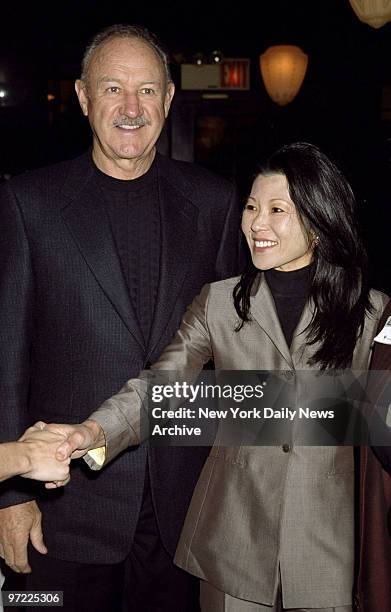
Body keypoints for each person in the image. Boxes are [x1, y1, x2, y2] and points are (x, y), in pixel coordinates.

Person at [47, 142, 388, 611]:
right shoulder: (219, 303)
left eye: (276, 210)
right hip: (234, 543)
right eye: (251, 207)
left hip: (329, 547)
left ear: (318, 220)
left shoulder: (371, 312)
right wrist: (94, 431)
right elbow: (161, 388)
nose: (256, 224)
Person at [0, 23, 240, 612]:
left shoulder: (217, 203)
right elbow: (5, 357)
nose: (131, 108)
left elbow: (232, 355)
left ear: (169, 98)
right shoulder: (28, 203)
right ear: (83, 98)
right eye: (112, 89)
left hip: (183, 508)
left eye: (148, 90)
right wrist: (8, 496)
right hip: (62, 508)